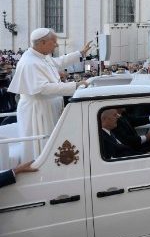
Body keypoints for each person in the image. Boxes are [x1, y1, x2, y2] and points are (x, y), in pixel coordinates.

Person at [8, 28, 91, 161]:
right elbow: (43, 89)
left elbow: (59, 61)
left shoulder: (41, 56)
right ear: (42, 43)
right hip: (38, 111)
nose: (57, 45)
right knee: (42, 145)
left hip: (47, 107)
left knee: (52, 142)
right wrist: (75, 85)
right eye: (54, 42)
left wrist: (80, 53)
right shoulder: (29, 62)